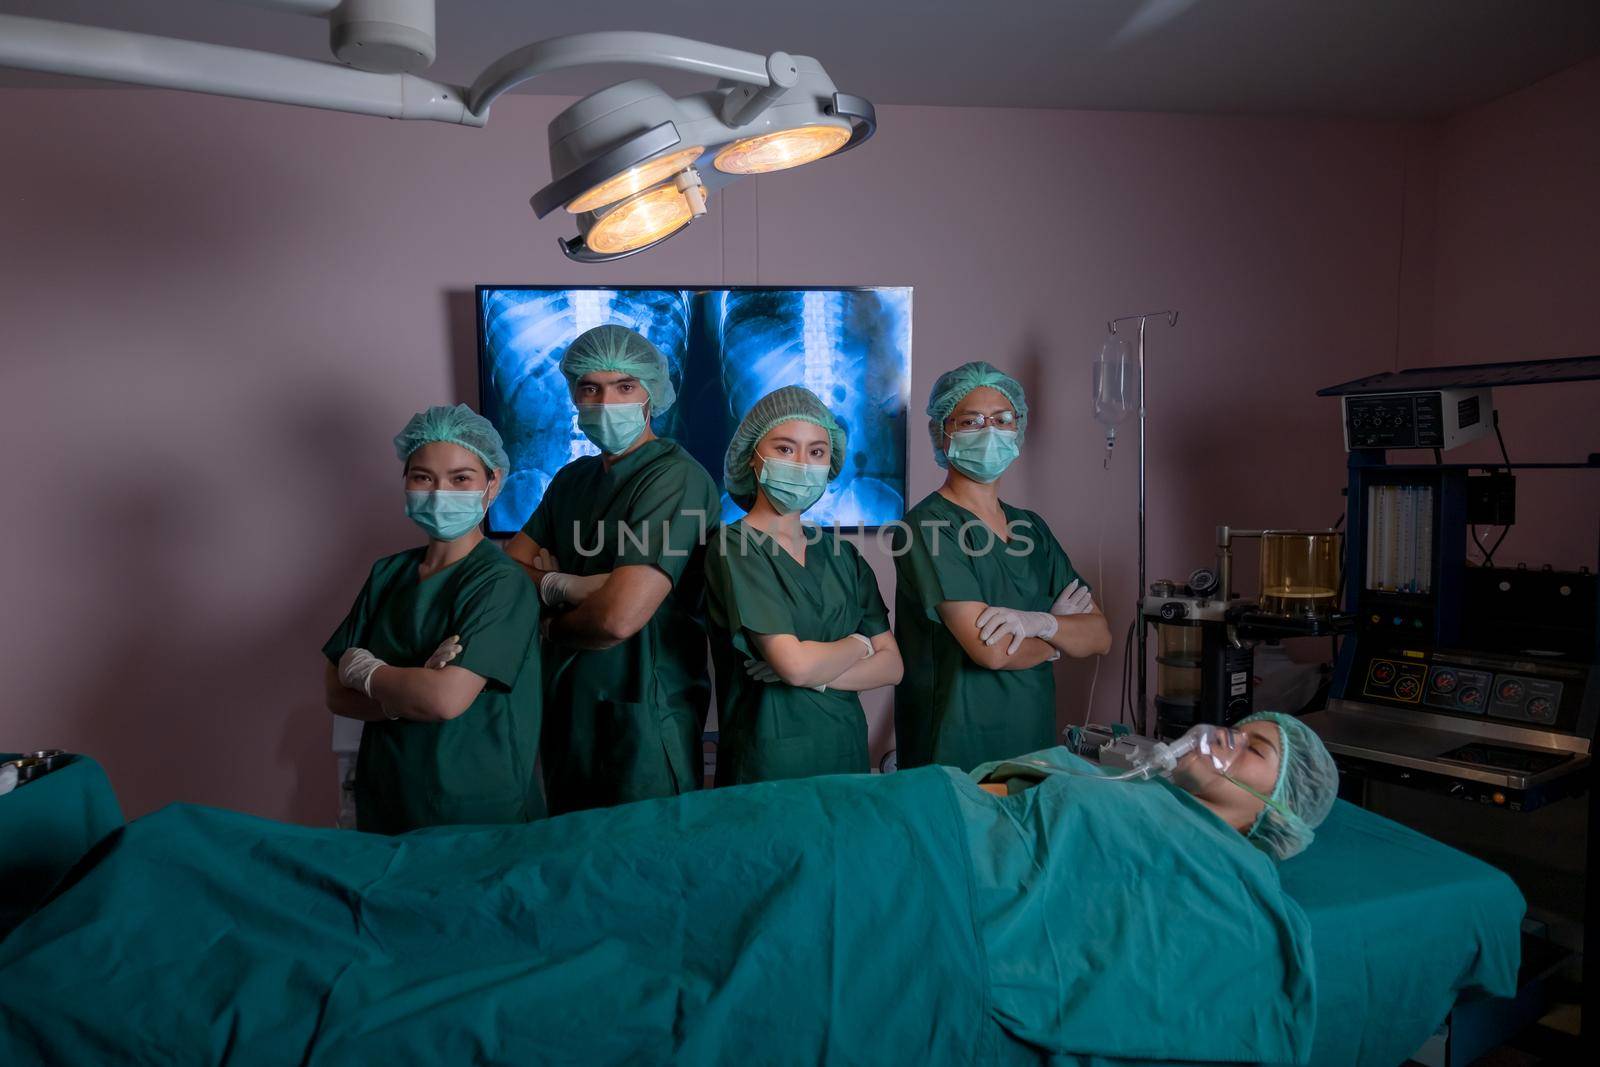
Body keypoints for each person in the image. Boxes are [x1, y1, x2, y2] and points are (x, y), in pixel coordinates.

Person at [504, 325, 719, 813]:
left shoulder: (674, 477)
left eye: (624, 386)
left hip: (643, 710)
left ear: (652, 392)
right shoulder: (572, 478)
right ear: (574, 397)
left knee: (645, 863)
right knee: (570, 860)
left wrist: (544, 618)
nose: (606, 400)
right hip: (567, 706)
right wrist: (569, 585)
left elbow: (617, 619)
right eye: (590, 387)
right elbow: (511, 566)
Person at [323, 404, 542, 834]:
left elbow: (444, 701)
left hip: (474, 803)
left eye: (461, 478)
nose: (440, 492)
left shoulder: (501, 583)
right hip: (388, 795)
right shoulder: (388, 573)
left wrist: (367, 670)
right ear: (405, 483)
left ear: (492, 484)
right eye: (423, 477)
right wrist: (412, 686)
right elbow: (335, 693)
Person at [892, 361, 1113, 772]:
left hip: (1032, 743)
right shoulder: (927, 527)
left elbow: (1099, 636)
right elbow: (991, 653)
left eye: (1002, 419)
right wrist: (1056, 635)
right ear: (945, 432)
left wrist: (1040, 625)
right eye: (971, 421)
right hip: (954, 745)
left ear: (1018, 429)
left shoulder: (1031, 528)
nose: (990, 431)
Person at [704, 386, 903, 784]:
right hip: (768, 760)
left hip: (845, 753)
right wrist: (859, 645)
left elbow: (893, 666)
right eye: (784, 448)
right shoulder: (734, 546)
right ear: (752, 457)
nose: (801, 464)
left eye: (816, 452)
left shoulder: (841, 555)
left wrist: (819, 670)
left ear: (831, 464)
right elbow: (794, 667)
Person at [974, 711, 1342, 862]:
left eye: (1256, 750)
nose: (1230, 738)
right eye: (1241, 731)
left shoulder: (1195, 861)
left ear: (1276, 814)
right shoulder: (1142, 795)